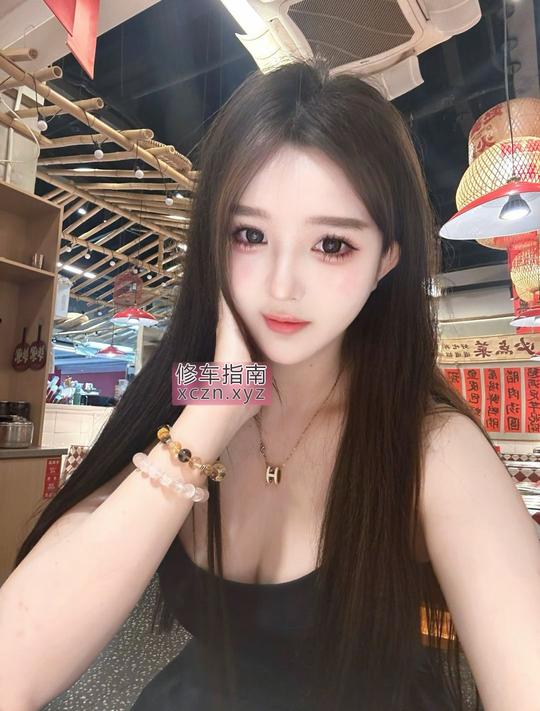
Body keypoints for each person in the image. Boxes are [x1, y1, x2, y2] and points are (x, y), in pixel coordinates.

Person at [1, 57, 539, 711]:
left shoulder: (431, 447)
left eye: (332, 245)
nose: (282, 286)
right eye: (250, 235)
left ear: (385, 262)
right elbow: (13, 666)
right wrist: (217, 407)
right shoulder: (188, 395)